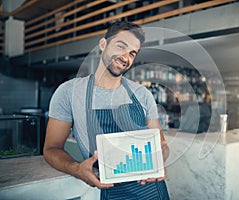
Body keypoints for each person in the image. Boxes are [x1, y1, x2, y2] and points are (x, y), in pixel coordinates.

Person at [43, 21, 170, 199]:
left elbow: (161, 146)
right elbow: (51, 148)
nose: (126, 57)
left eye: (132, 53)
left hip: (152, 192)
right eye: (121, 46)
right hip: (109, 192)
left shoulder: (142, 94)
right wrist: (76, 169)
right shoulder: (69, 92)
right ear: (103, 44)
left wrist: (160, 160)